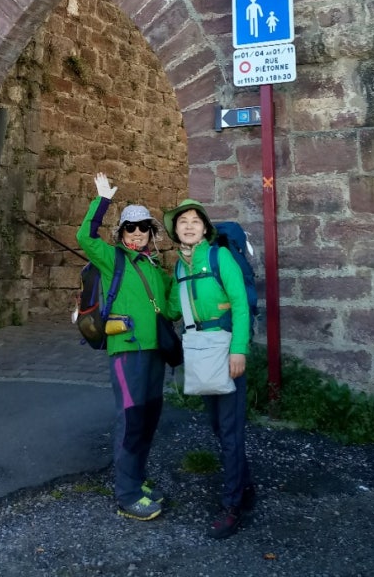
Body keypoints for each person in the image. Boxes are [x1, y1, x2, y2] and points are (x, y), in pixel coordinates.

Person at [77, 171, 179, 521]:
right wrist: (102, 200)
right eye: (130, 228)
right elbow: (84, 236)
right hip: (126, 352)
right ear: (121, 233)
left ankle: (137, 479)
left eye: (143, 228)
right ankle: (127, 495)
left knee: (148, 418)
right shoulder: (112, 259)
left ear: (151, 233)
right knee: (131, 419)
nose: (137, 233)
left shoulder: (155, 269)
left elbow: (170, 310)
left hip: (154, 354)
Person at [163, 198, 255, 539]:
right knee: (218, 425)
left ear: (204, 229)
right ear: (176, 231)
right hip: (200, 351)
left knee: (229, 430)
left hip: (225, 349)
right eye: (182, 221)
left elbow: (241, 306)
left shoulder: (219, 257)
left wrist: (239, 351)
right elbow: (173, 310)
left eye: (195, 221)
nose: (188, 226)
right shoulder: (179, 267)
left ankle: (232, 506)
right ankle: (245, 488)